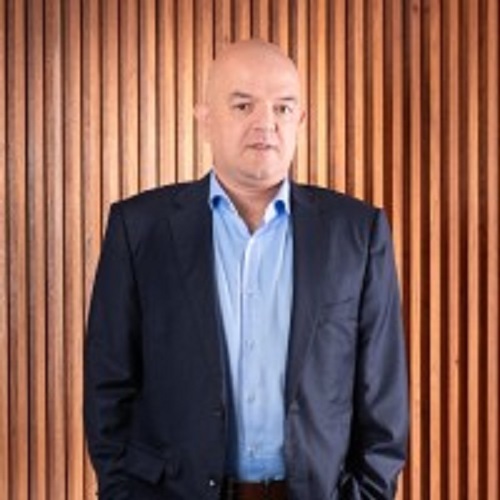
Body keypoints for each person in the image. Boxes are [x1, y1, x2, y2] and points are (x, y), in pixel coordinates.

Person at [84, 39, 408, 500]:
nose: (265, 124)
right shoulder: (139, 230)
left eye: (282, 108)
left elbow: (384, 397)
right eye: (243, 105)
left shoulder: (357, 232)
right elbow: (108, 387)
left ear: (300, 121)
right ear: (205, 119)